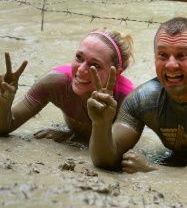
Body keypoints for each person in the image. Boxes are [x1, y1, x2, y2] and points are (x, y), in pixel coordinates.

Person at [88, 17, 187, 175]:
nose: (171, 64)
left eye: (181, 55)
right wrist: (101, 124)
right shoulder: (142, 99)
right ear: (154, 58)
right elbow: (106, 161)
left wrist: (154, 170)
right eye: (163, 55)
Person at [0, 28, 135, 143]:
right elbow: (6, 126)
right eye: (79, 57)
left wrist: (72, 138)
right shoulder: (55, 83)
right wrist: (4, 102)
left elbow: (113, 153)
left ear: (116, 74)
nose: (81, 69)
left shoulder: (127, 101)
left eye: (95, 65)